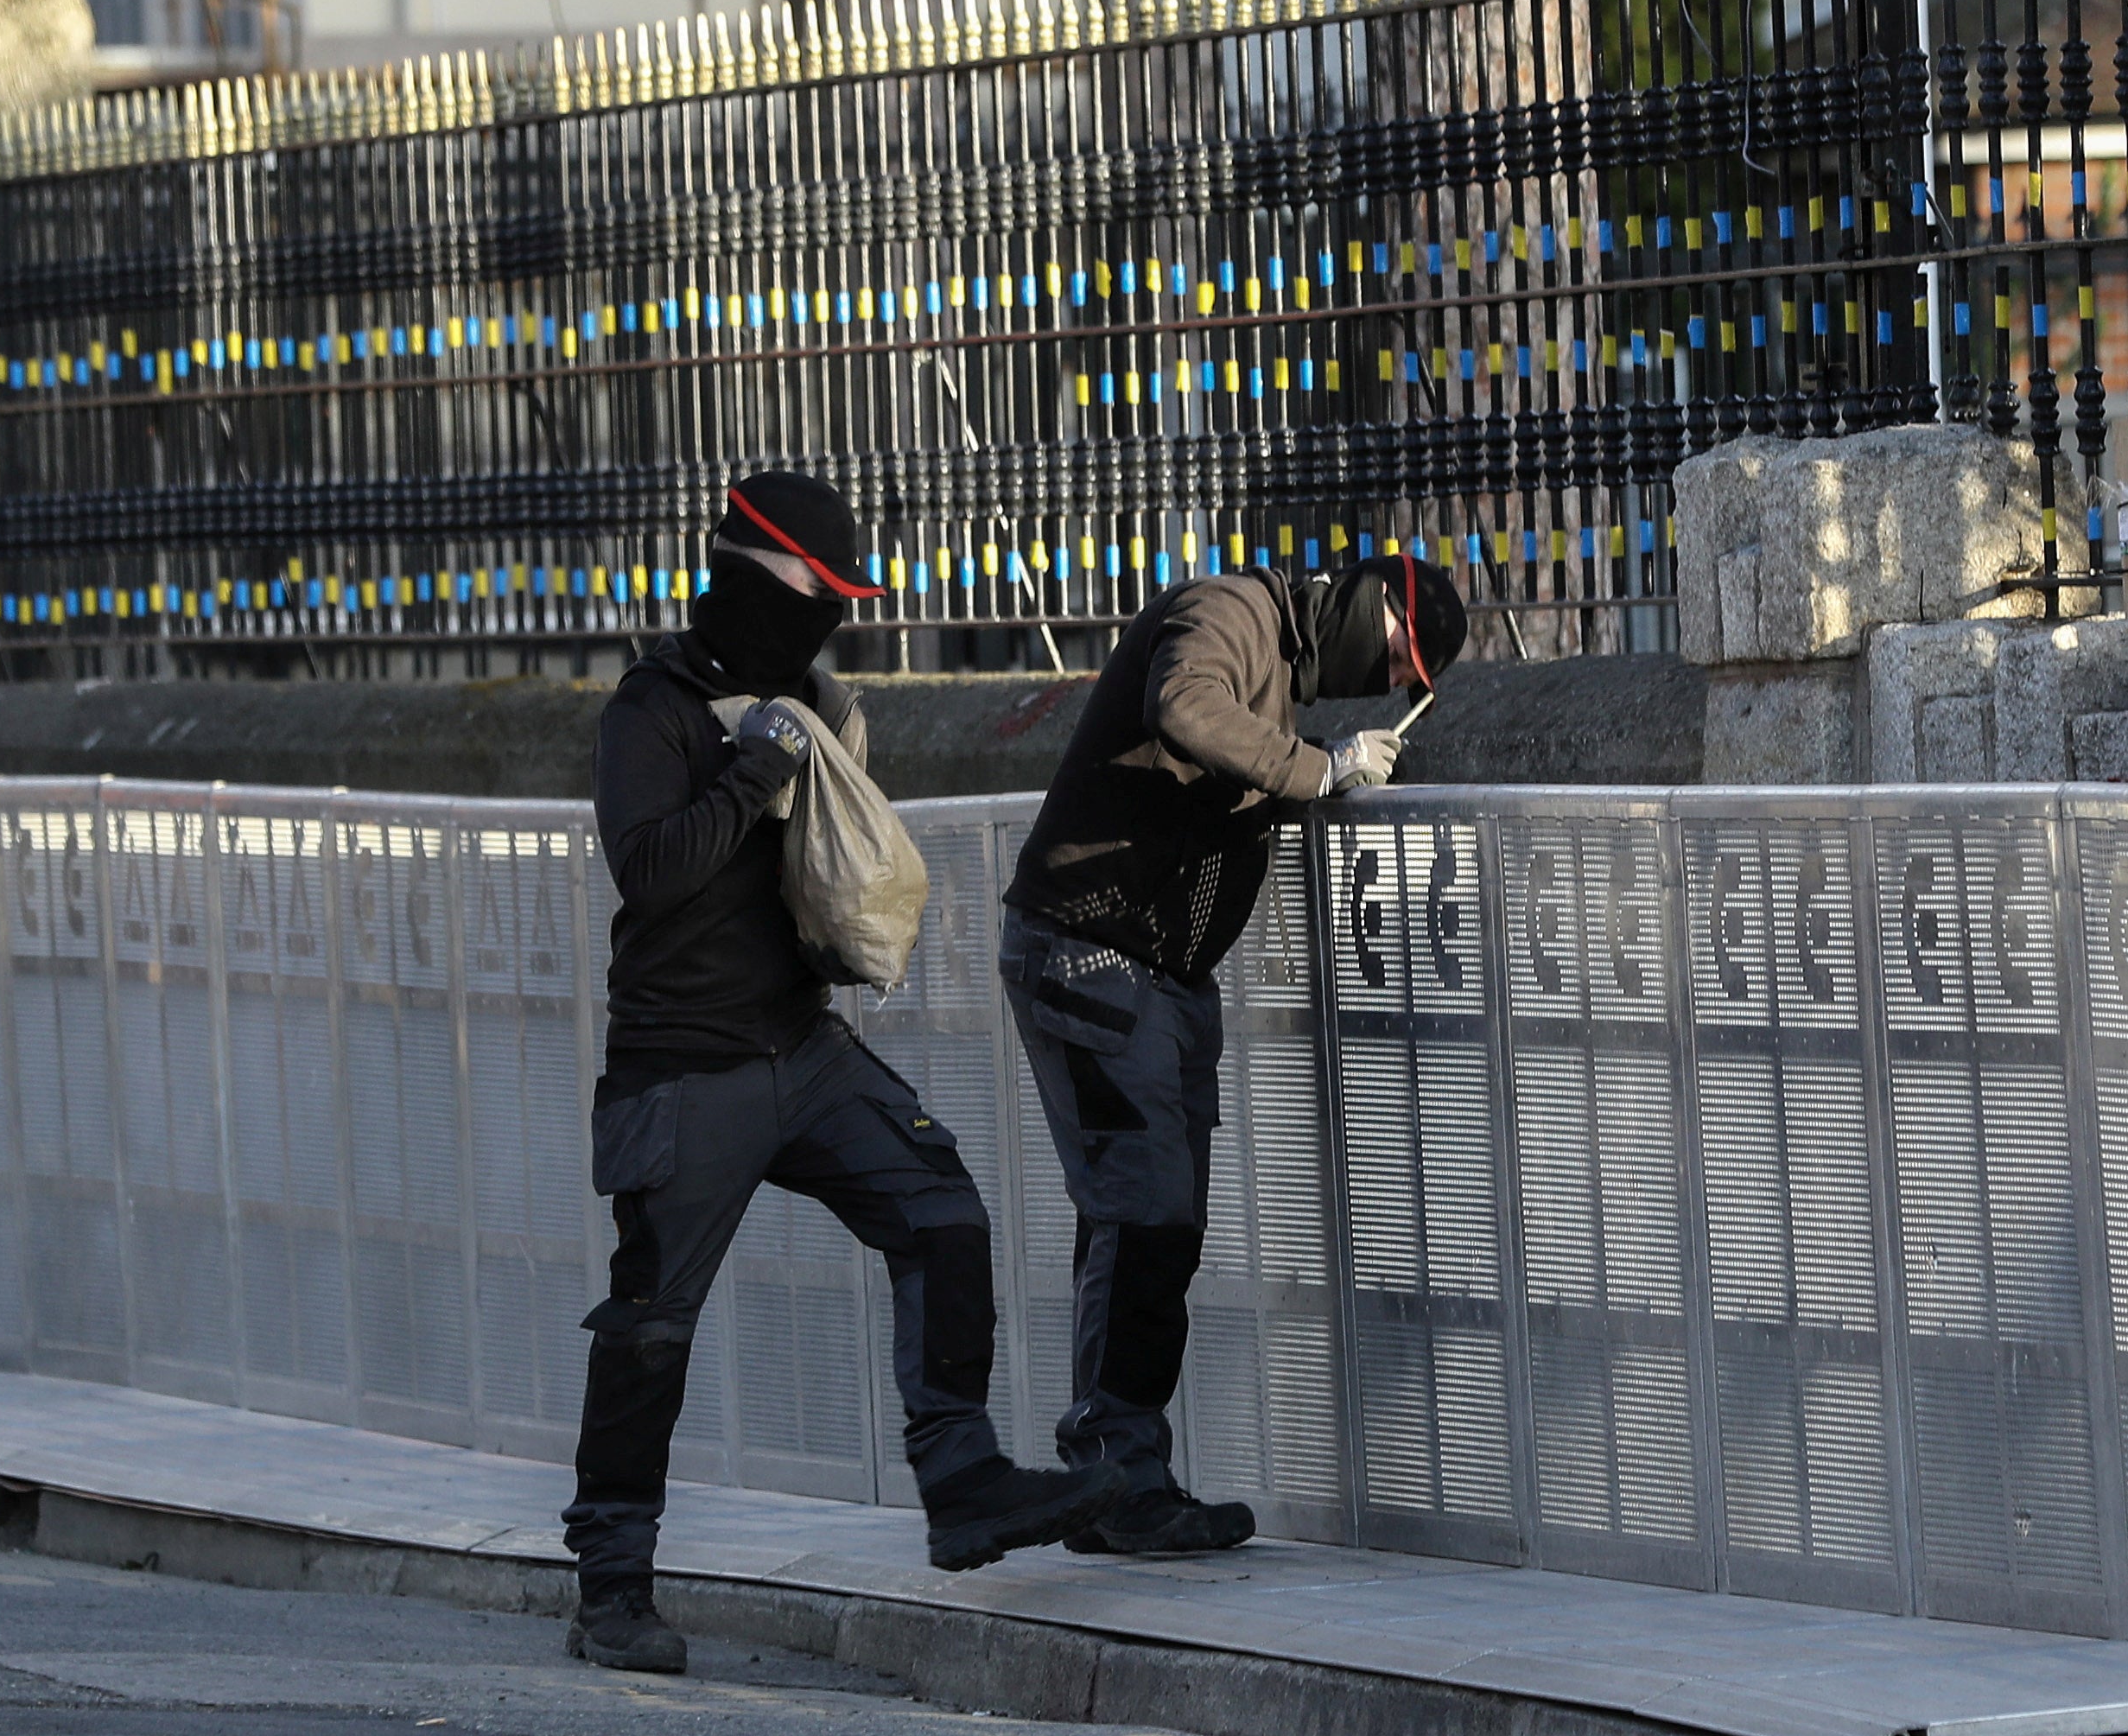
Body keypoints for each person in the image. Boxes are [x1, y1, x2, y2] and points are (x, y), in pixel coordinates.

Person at [562, 471, 1120, 1673]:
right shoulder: (647, 710)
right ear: (759, 577)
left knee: (940, 1207)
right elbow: (650, 871)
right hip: (682, 1066)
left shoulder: (805, 701)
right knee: (651, 1326)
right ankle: (611, 1583)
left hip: (801, 1044)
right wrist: (754, 772)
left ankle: (960, 1476)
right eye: (822, 594)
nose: (833, 620)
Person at [996, 550, 1468, 1554]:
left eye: (1402, 676)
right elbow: (1182, 705)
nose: (1382, 674)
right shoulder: (1231, 611)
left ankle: (1114, 1473)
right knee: (1145, 1210)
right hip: (1092, 953)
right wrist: (1320, 768)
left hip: (1150, 973)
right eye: (1394, 647)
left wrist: (1311, 763)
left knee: (1148, 1222)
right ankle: (1114, 1472)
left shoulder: (1277, 673)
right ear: (1369, 597)